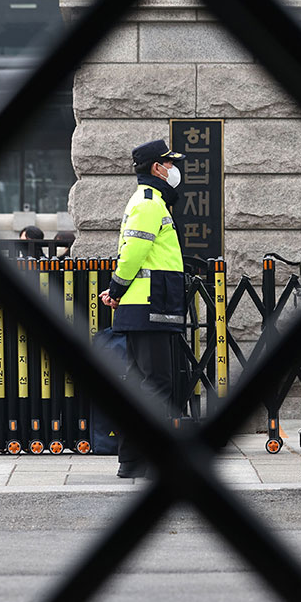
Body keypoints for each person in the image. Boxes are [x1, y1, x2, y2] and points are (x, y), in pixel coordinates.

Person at [99, 140, 186, 478]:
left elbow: (135, 254)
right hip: (149, 306)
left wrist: (117, 289)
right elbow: (134, 252)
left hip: (145, 304)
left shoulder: (150, 202)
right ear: (156, 169)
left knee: (142, 383)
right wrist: (118, 288)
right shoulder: (150, 204)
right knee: (157, 383)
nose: (173, 170)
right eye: (168, 163)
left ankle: (132, 460)